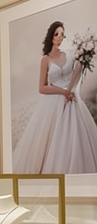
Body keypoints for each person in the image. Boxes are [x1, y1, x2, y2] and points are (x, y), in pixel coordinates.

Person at [12, 20, 97, 174]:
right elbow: (42, 88)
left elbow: (76, 74)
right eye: (57, 34)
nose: (60, 37)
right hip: (54, 102)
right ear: (51, 36)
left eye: (62, 34)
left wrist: (83, 59)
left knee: (75, 138)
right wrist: (62, 92)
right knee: (50, 140)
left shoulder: (70, 56)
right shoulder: (45, 60)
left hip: (72, 100)